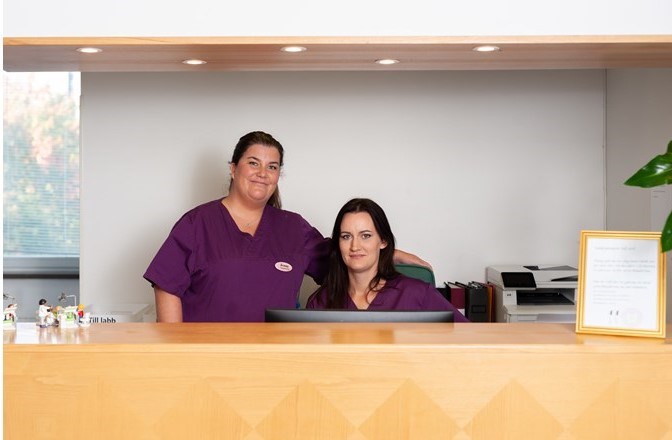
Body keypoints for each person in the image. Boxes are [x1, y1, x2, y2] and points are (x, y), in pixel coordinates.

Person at [144, 131, 429, 322]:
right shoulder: (197, 224)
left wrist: (388, 251)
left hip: (276, 362)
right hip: (207, 359)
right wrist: (177, 351)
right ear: (233, 168)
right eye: (253, 163)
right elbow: (167, 286)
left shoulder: (293, 228)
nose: (262, 173)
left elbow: (345, 256)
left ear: (279, 174)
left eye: (272, 166)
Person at [306, 198, 468, 322]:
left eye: (366, 236)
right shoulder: (320, 302)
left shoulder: (416, 293)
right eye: (346, 236)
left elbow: (470, 336)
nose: (355, 246)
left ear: (383, 241)